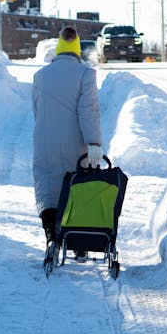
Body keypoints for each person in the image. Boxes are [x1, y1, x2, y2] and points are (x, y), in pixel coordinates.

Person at [32, 25, 102, 267]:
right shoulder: (86, 75)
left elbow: (36, 110)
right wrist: (93, 143)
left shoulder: (40, 76)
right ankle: (79, 245)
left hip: (44, 140)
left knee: (48, 187)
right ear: (76, 50)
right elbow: (89, 112)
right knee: (76, 187)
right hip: (75, 142)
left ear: (58, 49)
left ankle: (52, 239)